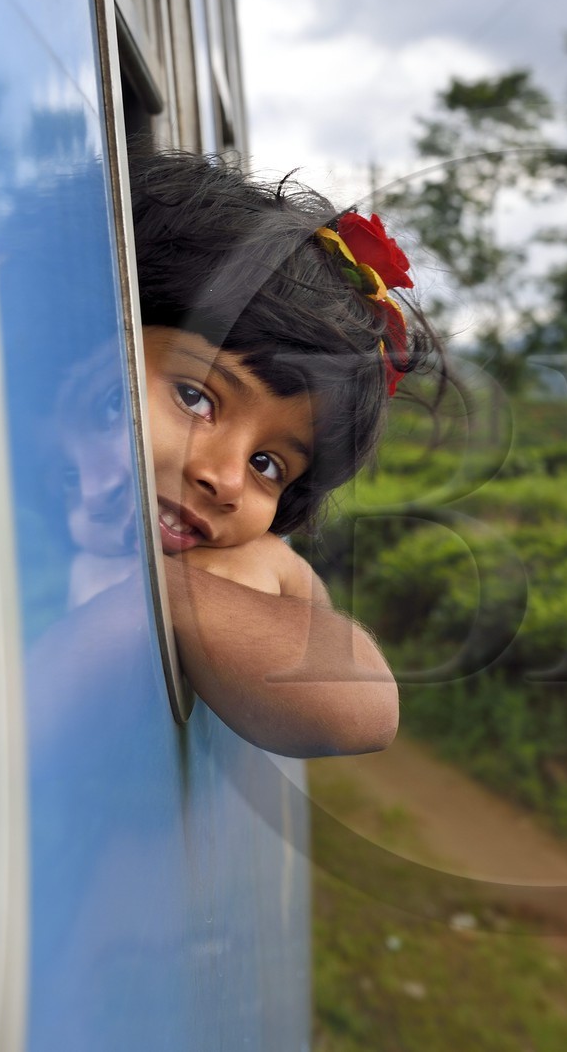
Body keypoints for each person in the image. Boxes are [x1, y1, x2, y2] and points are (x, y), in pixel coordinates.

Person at [128, 149, 436, 758]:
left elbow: (360, 709)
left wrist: (152, 586)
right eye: (196, 398)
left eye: (268, 465)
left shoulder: (239, 566)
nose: (225, 481)